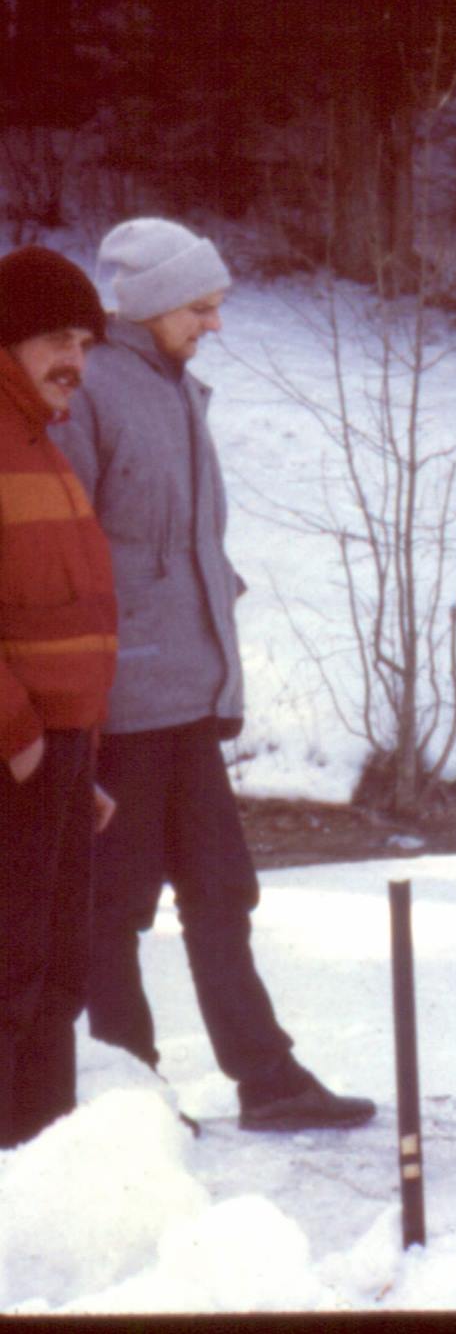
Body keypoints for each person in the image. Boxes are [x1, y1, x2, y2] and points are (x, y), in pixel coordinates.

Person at [55, 218, 375, 1132]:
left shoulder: (176, 390)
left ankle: (268, 1078)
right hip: (121, 706)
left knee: (222, 891)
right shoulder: (91, 391)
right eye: (200, 307)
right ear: (151, 304)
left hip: (188, 697)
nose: (215, 324)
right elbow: (70, 558)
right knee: (115, 910)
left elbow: (186, 547)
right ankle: (130, 1095)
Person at [0, 245, 119, 1148]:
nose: (73, 358)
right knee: (10, 968)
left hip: (60, 751)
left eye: (83, 341)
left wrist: (81, 758)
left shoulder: (42, 441)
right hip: (16, 752)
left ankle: (43, 1166)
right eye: (54, 339)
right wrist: (20, 732)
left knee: (57, 969)